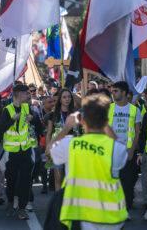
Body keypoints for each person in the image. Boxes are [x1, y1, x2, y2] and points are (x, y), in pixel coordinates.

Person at [48, 94, 128, 229]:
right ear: (106, 121)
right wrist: (107, 126)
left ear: (83, 121)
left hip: (80, 216)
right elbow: (121, 144)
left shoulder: (70, 144)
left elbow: (50, 149)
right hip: (111, 218)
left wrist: (66, 127)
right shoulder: (115, 147)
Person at [0, 84, 42, 220]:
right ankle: (10, 203)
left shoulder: (28, 108)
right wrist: (12, 120)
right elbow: (1, 129)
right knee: (11, 181)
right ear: (18, 95)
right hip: (11, 152)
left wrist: (32, 119)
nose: (28, 96)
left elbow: (39, 126)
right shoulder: (7, 110)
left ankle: (22, 208)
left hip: (26, 151)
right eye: (26, 93)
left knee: (25, 181)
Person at [109, 81, 141, 212]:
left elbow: (137, 131)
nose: (113, 94)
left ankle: (125, 209)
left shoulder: (134, 110)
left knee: (127, 182)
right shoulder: (109, 108)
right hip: (112, 151)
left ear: (124, 93)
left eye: (115, 91)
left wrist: (132, 149)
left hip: (128, 152)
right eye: (112, 91)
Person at [46, 88, 75, 191]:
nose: (67, 99)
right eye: (64, 97)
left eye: (69, 97)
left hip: (72, 150)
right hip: (57, 149)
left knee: (70, 179)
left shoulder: (75, 114)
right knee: (58, 178)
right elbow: (49, 134)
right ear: (60, 100)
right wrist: (47, 150)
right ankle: (58, 203)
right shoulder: (52, 115)